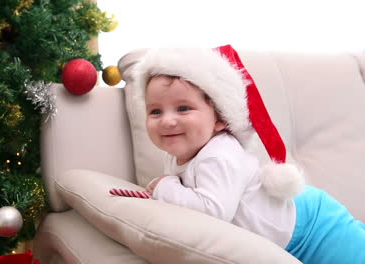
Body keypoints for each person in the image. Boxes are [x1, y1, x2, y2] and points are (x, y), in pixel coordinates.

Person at [132, 45, 365, 263]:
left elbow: (212, 212)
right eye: (155, 111)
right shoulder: (177, 155)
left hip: (314, 228)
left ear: (220, 118)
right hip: (293, 234)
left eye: (183, 108)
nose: (167, 121)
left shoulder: (218, 155)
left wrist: (165, 187)